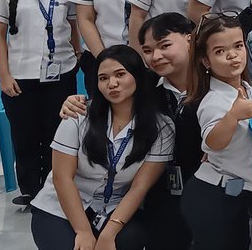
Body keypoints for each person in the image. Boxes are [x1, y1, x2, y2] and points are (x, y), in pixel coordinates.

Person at [29, 45, 174, 250]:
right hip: (61, 206)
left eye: (120, 74)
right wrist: (83, 231)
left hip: (115, 208)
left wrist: (109, 233)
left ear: (138, 76)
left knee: (131, 238)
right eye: (103, 78)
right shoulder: (78, 115)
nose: (112, 84)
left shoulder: (162, 127)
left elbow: (139, 187)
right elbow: (62, 178)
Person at [0, 0, 78, 206]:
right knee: (25, 135)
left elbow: (74, 26)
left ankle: (55, 188)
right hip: (20, 75)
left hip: (61, 72)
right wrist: (4, 75)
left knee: (57, 133)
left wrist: (76, 54)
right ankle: (30, 190)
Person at [180, 14, 252, 250]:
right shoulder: (213, 100)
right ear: (206, 61)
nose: (232, 55)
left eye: (238, 46)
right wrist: (233, 116)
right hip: (213, 195)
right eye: (220, 51)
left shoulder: (247, 89)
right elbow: (213, 142)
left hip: (237, 192)